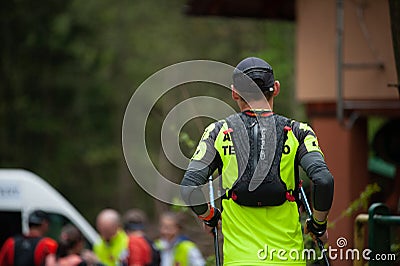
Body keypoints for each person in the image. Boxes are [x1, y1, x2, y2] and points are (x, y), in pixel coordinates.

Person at [181, 57, 334, 265]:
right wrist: (318, 225)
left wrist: (209, 216)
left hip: (239, 261)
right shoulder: (299, 132)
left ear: (235, 92)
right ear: (276, 88)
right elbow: (324, 180)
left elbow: (189, 187)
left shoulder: (217, 132)